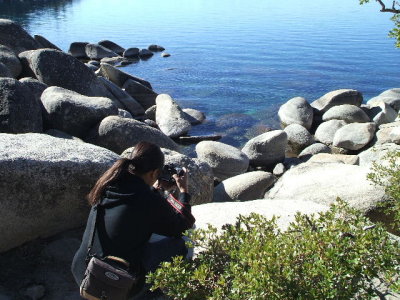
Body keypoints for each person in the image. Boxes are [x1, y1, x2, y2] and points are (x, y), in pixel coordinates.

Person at [71, 141, 195, 295]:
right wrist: (183, 191)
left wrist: (156, 189)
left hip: (82, 271)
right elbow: (182, 226)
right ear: (154, 173)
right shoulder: (148, 200)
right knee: (180, 244)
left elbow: (132, 208)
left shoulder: (108, 184)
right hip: (112, 283)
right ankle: (149, 295)